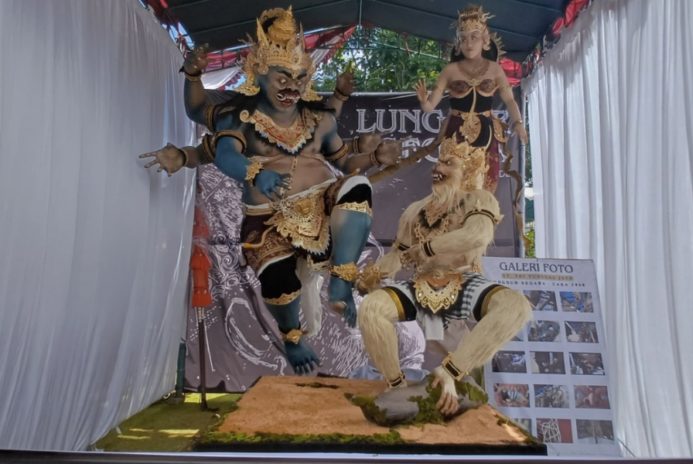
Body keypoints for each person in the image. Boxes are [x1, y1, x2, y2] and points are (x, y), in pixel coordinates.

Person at [140, 7, 399, 374]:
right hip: (268, 219)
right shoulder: (239, 117)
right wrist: (255, 173)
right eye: (282, 77)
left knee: (357, 187)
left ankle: (342, 281)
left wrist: (373, 158)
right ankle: (292, 337)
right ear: (258, 72)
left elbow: (344, 162)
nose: (292, 87)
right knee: (279, 280)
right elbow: (223, 152)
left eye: (299, 78)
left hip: (322, 207)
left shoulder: (319, 118)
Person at [356, 135, 531, 415]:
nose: (438, 168)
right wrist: (374, 274)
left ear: (468, 171)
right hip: (421, 284)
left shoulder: (479, 199)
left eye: (448, 163)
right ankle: (396, 386)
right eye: (438, 162)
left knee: (515, 307)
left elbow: (476, 235)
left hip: (463, 282)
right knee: (372, 308)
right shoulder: (415, 211)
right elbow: (398, 255)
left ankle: (450, 373)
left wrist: (428, 247)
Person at [414, 6, 528, 193]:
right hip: (455, 133)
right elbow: (429, 107)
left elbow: (509, 100)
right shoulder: (450, 71)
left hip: (487, 133)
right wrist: (424, 101)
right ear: (458, 43)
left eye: (474, 37)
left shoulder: (495, 69)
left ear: (485, 40)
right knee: (452, 188)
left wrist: (518, 123)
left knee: (485, 186)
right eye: (464, 38)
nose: (469, 43)